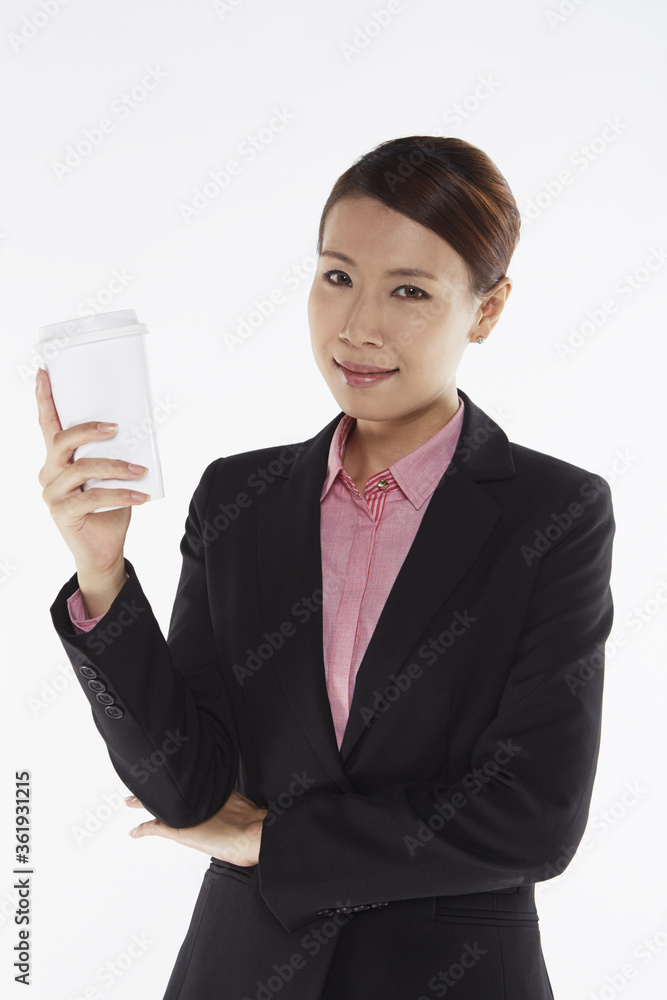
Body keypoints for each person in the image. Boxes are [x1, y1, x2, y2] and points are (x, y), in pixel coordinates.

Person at [37, 136, 616, 1000]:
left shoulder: (553, 512)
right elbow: (187, 785)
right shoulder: (239, 499)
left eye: (409, 291)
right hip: (241, 971)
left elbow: (535, 818)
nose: (357, 327)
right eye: (337, 276)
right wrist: (100, 570)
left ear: (487, 309)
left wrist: (274, 843)